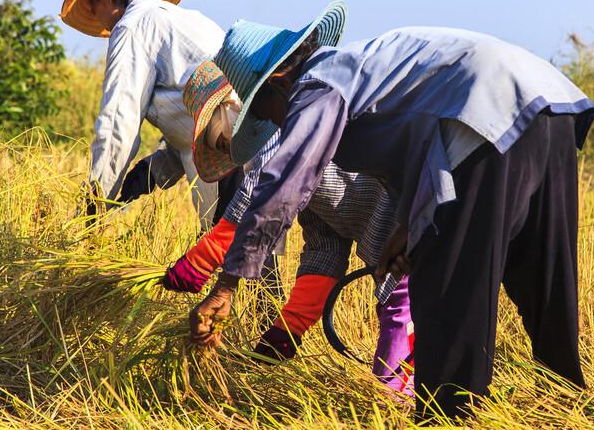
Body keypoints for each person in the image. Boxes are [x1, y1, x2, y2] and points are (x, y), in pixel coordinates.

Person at [190, 1, 594, 418]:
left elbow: (285, 183)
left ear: (278, 80)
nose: (275, 124)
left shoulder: (319, 85)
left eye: (263, 111)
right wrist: (407, 225)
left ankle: (446, 427)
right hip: (549, 101)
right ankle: (568, 410)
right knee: (543, 275)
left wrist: (226, 287)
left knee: (448, 293)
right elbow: (419, 143)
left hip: (485, 113)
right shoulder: (361, 67)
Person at [162, 60, 413, 392]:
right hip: (375, 222)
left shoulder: (283, 132)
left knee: (399, 314)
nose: (223, 148)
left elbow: (256, 203)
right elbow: (325, 245)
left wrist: (200, 262)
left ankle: (400, 414)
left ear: (234, 109)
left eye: (216, 136)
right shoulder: (290, 154)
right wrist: (288, 329)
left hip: (397, 210)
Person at [59, 0, 283, 295]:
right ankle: (257, 346)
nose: (99, 17)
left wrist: (95, 205)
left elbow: (118, 126)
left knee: (239, 273)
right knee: (256, 273)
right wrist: (141, 180)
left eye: (93, 5)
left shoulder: (133, 26)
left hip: (231, 158)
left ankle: (249, 347)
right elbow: (185, 124)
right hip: (259, 149)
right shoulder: (186, 20)